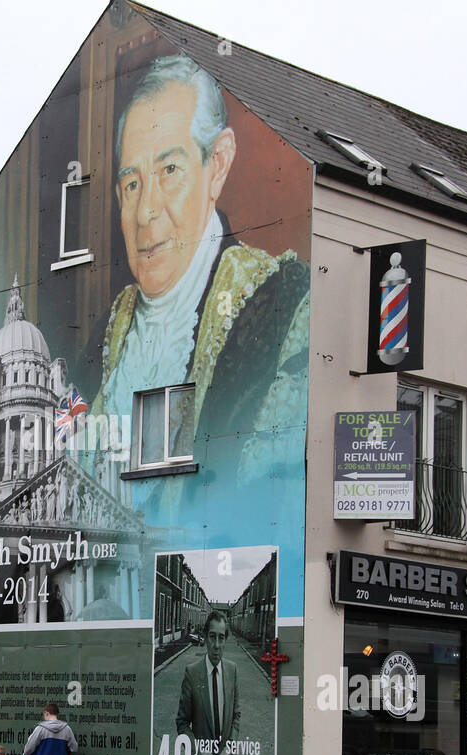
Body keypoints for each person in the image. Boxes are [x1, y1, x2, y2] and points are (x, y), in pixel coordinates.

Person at [88, 53, 311, 482]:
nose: (145, 212)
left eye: (170, 170)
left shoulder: (284, 310)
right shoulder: (104, 335)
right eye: (132, 184)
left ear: (218, 165)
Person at [176, 611, 239, 755]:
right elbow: (181, 722)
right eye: (212, 637)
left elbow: (236, 717)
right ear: (205, 637)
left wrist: (228, 748)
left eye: (221, 638)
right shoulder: (192, 673)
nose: (217, 645)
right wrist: (199, 752)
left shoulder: (232, 670)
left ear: (226, 640)